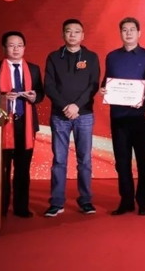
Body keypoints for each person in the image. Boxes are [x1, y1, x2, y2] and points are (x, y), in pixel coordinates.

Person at [101, 17, 145, 216]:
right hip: (119, 117)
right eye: (124, 30)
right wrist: (104, 90)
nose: (128, 33)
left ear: (139, 33)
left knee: (143, 160)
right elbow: (106, 81)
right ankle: (126, 201)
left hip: (142, 117)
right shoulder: (112, 57)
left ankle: (143, 201)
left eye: (132, 29)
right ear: (120, 33)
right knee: (122, 161)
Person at [44, 19, 100, 217]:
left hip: (84, 115)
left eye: (77, 32)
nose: (73, 35)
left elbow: (93, 85)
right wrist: (65, 106)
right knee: (59, 160)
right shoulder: (53, 57)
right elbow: (49, 86)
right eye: (69, 31)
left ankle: (85, 200)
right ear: (63, 34)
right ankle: (56, 202)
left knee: (84, 160)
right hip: (60, 115)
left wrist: (77, 106)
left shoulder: (91, 57)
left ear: (83, 35)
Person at [0, 31, 44, 218]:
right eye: (11, 45)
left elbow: (40, 93)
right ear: (4, 48)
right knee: (2, 169)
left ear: (24, 48)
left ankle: (21, 207)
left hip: (25, 125)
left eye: (19, 45)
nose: (16, 49)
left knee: (23, 169)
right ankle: (0, 207)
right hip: (2, 125)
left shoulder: (33, 69)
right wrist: (3, 98)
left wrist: (34, 97)